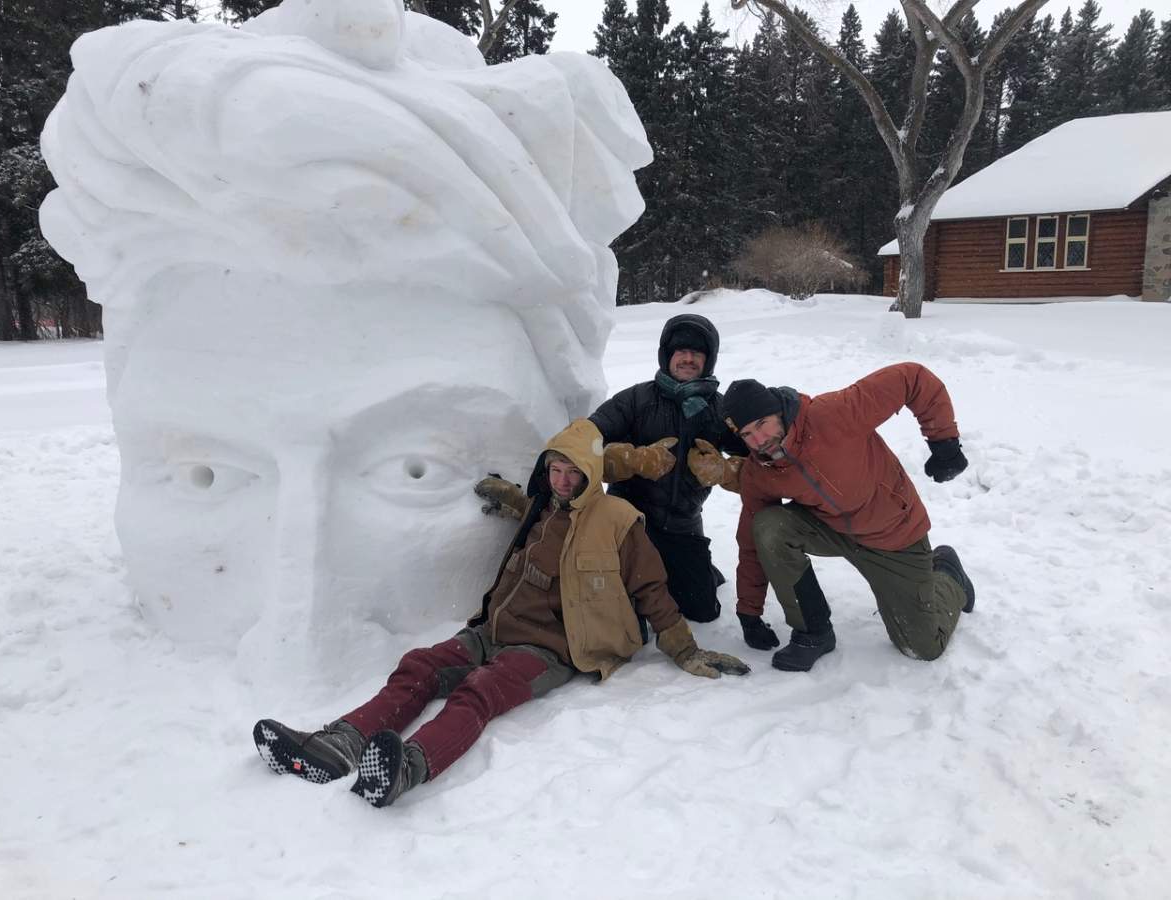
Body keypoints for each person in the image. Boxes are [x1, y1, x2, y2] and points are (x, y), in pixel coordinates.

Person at [253, 419, 749, 808]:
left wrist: (684, 650)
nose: (562, 480)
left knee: (480, 691)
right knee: (419, 666)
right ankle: (336, 745)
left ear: (590, 474)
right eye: (555, 470)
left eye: (573, 473)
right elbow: (533, 510)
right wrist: (511, 496)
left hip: (554, 649)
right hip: (495, 630)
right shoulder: (542, 507)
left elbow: (652, 590)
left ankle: (406, 768)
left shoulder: (619, 521)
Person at [720, 363, 976, 672]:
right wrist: (749, 610)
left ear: (779, 412)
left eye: (763, 424)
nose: (759, 440)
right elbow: (750, 539)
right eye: (747, 434)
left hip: (893, 534)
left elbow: (912, 377)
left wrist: (944, 442)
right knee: (768, 527)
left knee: (922, 646)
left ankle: (948, 574)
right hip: (833, 529)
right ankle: (813, 632)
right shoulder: (759, 471)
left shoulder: (832, 414)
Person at [579, 314, 752, 631]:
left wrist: (726, 471)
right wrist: (630, 459)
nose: (688, 358)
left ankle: (683, 568)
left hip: (684, 527)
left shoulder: (720, 409)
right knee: (624, 613)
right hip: (629, 525)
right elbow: (581, 444)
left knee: (703, 611)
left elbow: (762, 463)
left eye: (697, 352)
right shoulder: (635, 399)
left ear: (708, 359)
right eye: (680, 350)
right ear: (667, 355)